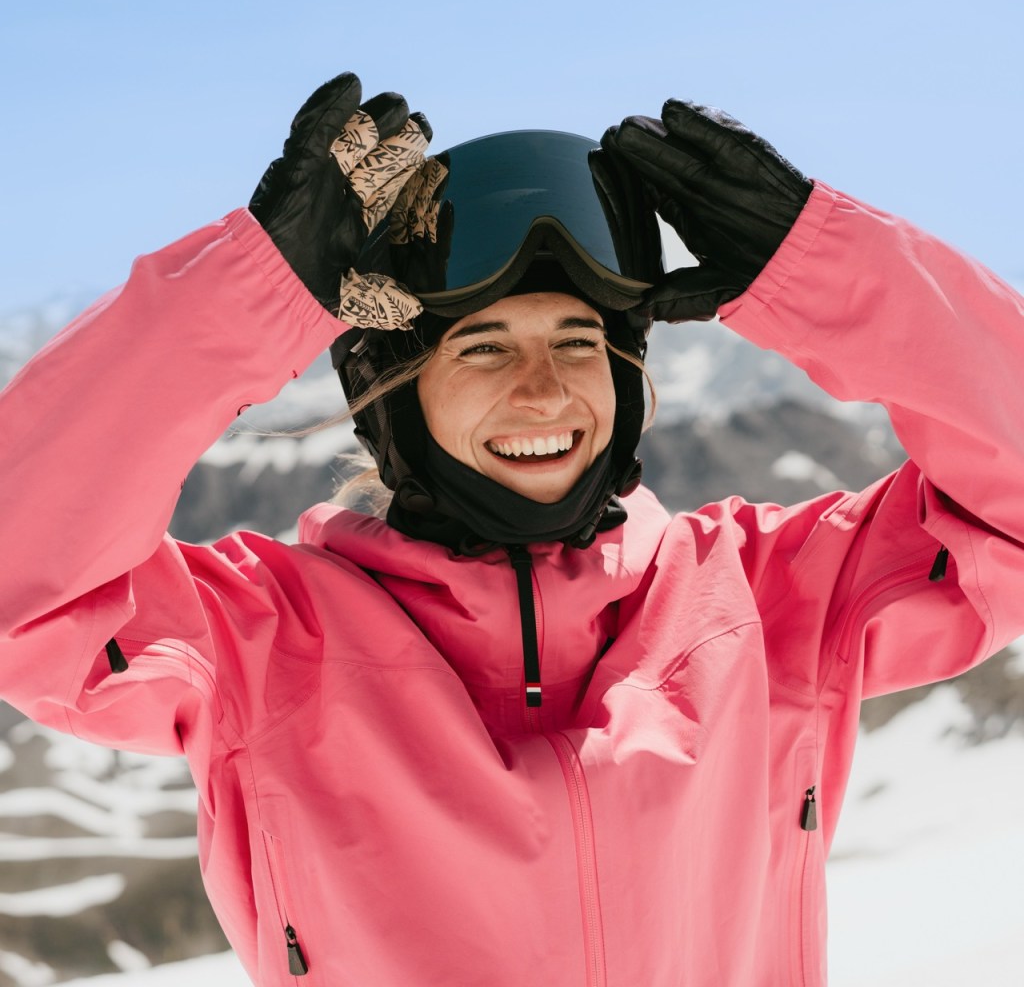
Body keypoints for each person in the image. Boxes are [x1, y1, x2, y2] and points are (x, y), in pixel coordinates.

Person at [1, 70, 1022, 987]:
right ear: (391, 396)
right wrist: (238, 302)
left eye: (578, 341)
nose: (543, 390)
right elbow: (23, 582)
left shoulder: (765, 601)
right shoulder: (264, 646)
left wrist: (831, 272)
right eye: (483, 348)